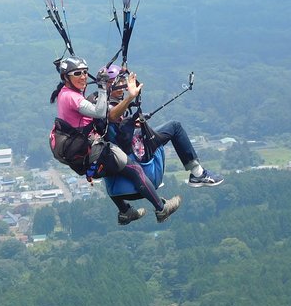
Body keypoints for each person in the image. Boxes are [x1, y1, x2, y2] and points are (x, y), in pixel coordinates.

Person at [50, 56, 181, 225]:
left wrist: (62, 67)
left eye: (85, 72)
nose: (83, 76)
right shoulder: (72, 97)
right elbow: (99, 112)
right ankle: (161, 209)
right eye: (77, 73)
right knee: (134, 170)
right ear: (66, 77)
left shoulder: (66, 92)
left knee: (112, 170)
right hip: (92, 152)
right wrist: (103, 87)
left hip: (82, 156)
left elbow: (78, 89)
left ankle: (126, 212)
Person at [104, 64, 224, 187]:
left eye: (122, 82)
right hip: (133, 148)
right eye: (117, 84)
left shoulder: (109, 101)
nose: (121, 87)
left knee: (163, 129)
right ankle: (198, 174)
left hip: (129, 143)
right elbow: (112, 116)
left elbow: (119, 123)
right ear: (108, 85)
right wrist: (130, 97)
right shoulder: (108, 104)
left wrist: (133, 122)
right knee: (175, 127)